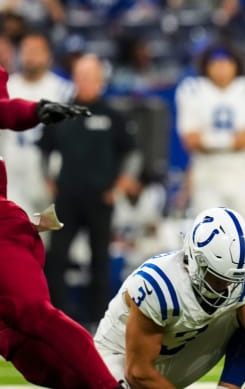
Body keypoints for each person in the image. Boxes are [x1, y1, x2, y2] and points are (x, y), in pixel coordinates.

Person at [0, 64, 126, 388]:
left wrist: (36, 110)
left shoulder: (110, 115)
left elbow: (7, 111)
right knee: (26, 351)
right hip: (45, 211)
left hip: (9, 228)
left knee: (34, 315)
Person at [94, 206, 245, 388]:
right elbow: (138, 373)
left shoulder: (238, 273)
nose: (226, 287)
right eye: (217, 278)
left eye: (232, 280)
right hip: (124, 358)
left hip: (179, 348)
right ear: (195, 259)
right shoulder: (159, 285)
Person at [38, 54, 141, 326]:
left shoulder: (112, 115)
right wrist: (47, 179)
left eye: (90, 76)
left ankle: (98, 321)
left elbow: (132, 154)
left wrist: (118, 186)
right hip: (65, 199)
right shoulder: (60, 112)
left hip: (100, 199)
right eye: (80, 76)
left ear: (99, 80)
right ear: (74, 78)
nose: (84, 81)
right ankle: (56, 317)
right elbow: (43, 150)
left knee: (100, 261)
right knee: (56, 257)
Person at [175, 42, 245, 234]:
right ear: (206, 66)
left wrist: (208, 139)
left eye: (226, 63)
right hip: (207, 174)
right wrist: (234, 140)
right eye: (216, 63)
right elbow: (190, 140)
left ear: (236, 65)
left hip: (241, 173)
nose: (221, 68)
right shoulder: (192, 89)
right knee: (205, 240)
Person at [3, 32, 74, 217]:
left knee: (54, 237)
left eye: (36, 51)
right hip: (15, 174)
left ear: (48, 55)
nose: (30, 56)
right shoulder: (8, 88)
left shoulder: (64, 91)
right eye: (26, 51)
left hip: (52, 174)